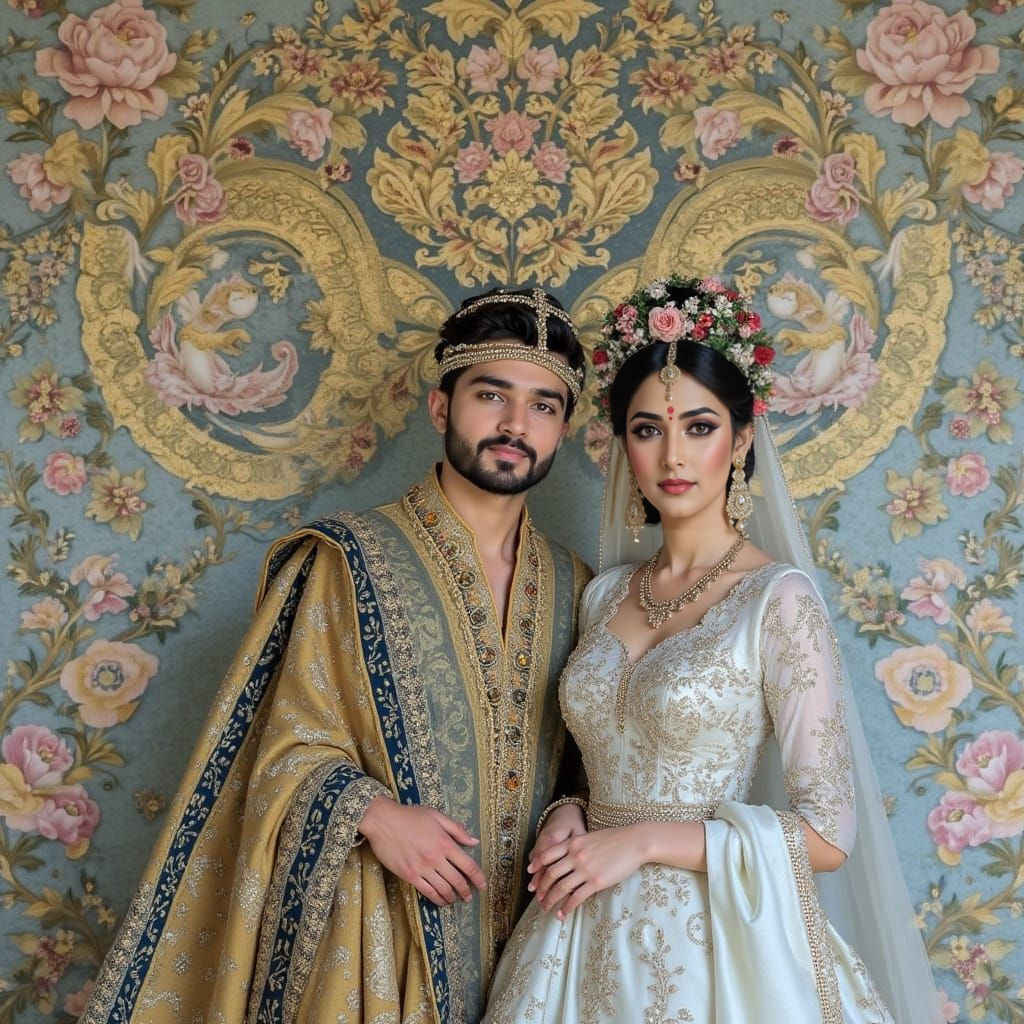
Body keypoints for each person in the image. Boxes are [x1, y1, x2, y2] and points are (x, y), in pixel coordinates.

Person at [80, 288, 592, 1024]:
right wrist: (373, 813)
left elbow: (590, 762)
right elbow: (277, 751)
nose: (516, 424)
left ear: (563, 429)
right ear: (440, 407)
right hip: (376, 936)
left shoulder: (577, 586)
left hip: (536, 953)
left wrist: (572, 810)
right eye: (491, 395)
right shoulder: (346, 560)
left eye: (543, 405)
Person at [483, 276, 940, 1024]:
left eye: (699, 427)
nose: (673, 455)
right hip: (572, 931)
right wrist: (570, 812)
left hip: (713, 948)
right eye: (646, 430)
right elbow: (602, 760)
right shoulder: (605, 595)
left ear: (742, 439)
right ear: (622, 445)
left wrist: (640, 843)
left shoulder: (777, 601)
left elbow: (828, 836)